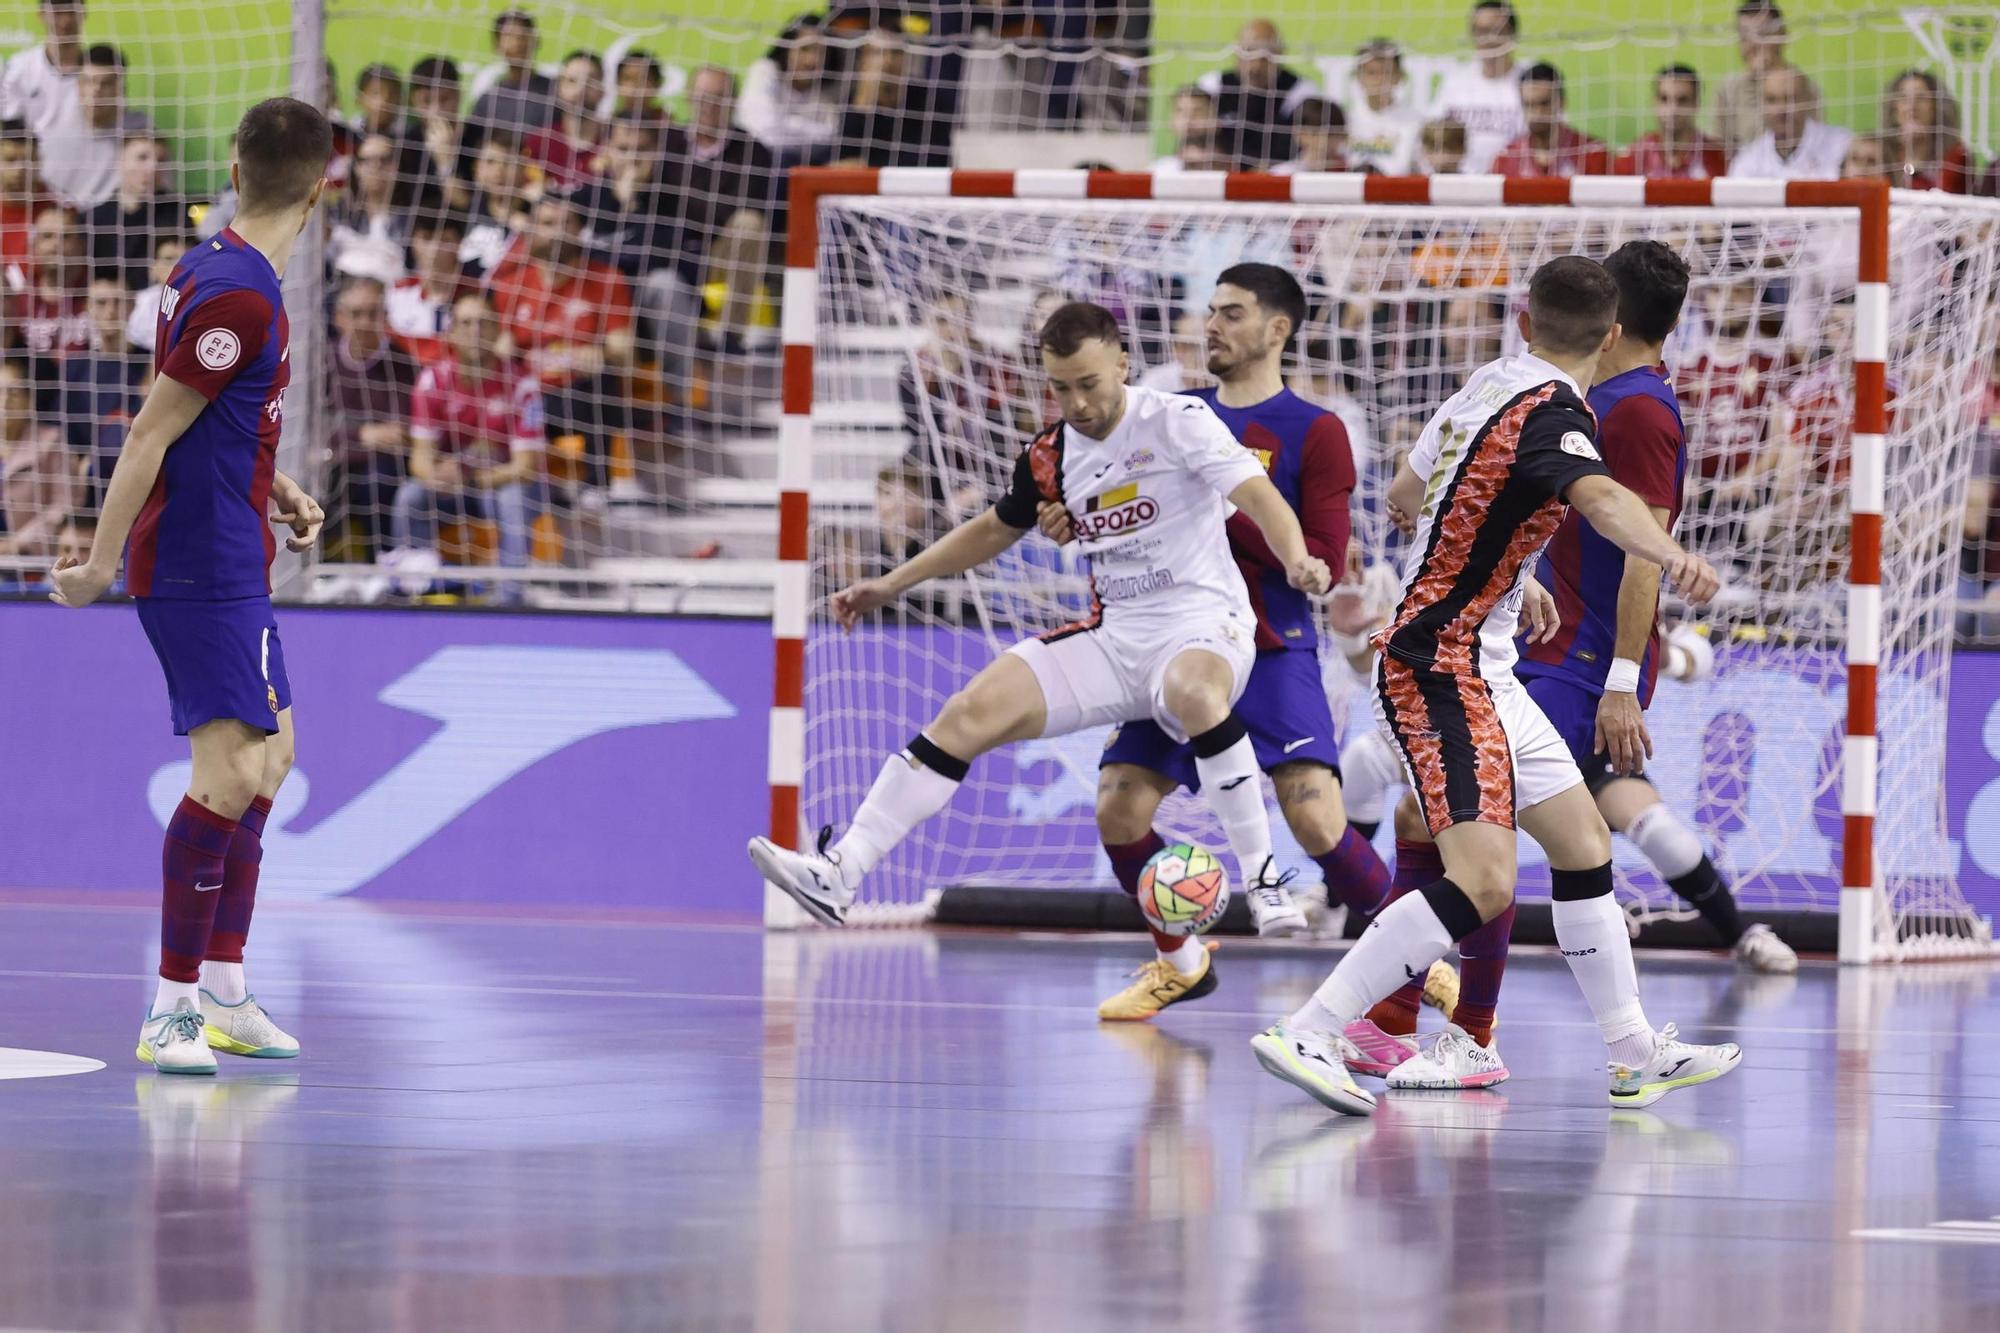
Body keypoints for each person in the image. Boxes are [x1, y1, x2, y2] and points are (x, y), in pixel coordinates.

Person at [1249, 256, 1741, 1117]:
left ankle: (1631, 1052)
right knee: (1484, 879)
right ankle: (1316, 1028)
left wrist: (1510, 569)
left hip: (1489, 658)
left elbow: (1408, 492)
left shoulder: (1491, 381)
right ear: (1615, 333)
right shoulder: (1557, 414)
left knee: (1586, 844)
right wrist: (1669, 553)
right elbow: (1603, 500)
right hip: (1440, 665)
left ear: (1524, 319)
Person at [1355, 242, 1797, 1094]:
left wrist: (1624, 677)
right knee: (1551, 825)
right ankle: (1438, 1025)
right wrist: (1524, 579)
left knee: (1481, 836)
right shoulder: (1572, 395)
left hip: (1571, 662)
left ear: (1610, 327)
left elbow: (1629, 546)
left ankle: (1435, 1028)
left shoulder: (1622, 410)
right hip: (1527, 646)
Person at [747, 300, 1334, 926]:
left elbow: (1257, 494)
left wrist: (1296, 557)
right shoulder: (1051, 456)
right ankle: (843, 871)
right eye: (1061, 388)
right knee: (968, 713)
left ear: (1122, 364)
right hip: (1115, 636)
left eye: (1089, 384)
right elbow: (992, 531)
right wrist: (890, 584)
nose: (1077, 404)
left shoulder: (1178, 420)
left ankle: (1265, 880)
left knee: (1193, 691)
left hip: (1204, 624)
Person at [1038, 268, 1452, 1015]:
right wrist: (1076, 515)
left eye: (1232, 313)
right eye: (1209, 312)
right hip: (1169, 641)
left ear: (1277, 330)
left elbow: (1321, 552)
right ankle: (1181, 960)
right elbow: (1100, 494)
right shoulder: (1169, 413)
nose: (1213, 327)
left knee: (1317, 816)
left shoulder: (1316, 429)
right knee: (1118, 809)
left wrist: (1209, 504)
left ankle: (1423, 966)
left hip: (1269, 639)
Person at [47, 95, 333, 1076]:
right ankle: (168, 1004)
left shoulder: (215, 266)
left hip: (235, 549)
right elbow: (150, 430)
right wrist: (95, 564)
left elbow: (215, 414)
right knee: (227, 775)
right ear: (321, 188)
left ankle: (223, 989)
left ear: (235, 166)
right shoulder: (240, 295)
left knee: (276, 759)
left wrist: (279, 483)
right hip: (197, 564)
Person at [389, 290, 544, 591]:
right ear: (451, 332)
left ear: (498, 330)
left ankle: (509, 598)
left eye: (483, 323)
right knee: (410, 497)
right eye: (466, 323)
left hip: (501, 485)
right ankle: (416, 588)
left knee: (512, 498)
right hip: (455, 487)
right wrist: (438, 475)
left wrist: (470, 475)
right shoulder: (432, 381)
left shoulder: (522, 384)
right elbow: (419, 460)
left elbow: (525, 468)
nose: (475, 332)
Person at [1198, 19, 1319, 171]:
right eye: (1248, 52)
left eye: (1265, 55)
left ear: (1281, 54)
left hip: (1277, 177)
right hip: (1220, 174)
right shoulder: (1211, 85)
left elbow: (1311, 148)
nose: (1255, 65)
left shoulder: (1302, 91)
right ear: (1235, 52)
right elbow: (1188, 137)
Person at [87, 133, 193, 290]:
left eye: (161, 160)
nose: (153, 167)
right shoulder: (95, 219)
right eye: (142, 158)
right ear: (120, 162)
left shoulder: (176, 211)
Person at [737, 14, 846, 166]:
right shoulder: (764, 71)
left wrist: (784, 122)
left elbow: (830, 137)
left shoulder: (825, 94)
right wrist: (805, 128)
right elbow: (765, 132)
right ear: (786, 49)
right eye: (805, 49)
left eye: (821, 52)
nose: (812, 60)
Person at [1435, 0, 1526, 174]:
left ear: (1513, 34)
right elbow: (1432, 139)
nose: (1489, 39)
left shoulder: (1530, 83)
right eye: (1482, 31)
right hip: (1460, 187)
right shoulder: (1454, 82)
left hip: (1513, 186)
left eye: (1497, 31)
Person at [1729, 66, 1850, 180]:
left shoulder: (1841, 145)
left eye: (1790, 99)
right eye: (1772, 100)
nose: (1781, 109)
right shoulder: (1748, 160)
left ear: (1808, 100)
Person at [1492, 62, 1609, 178]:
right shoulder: (1508, 157)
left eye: (1544, 103)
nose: (1536, 113)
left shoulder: (1592, 152)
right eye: (1528, 105)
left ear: (1562, 103)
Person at [1615, 65, 1727, 180]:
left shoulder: (1715, 155)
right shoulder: (1637, 152)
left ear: (1696, 104)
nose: (1673, 109)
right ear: (1655, 103)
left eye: (1682, 100)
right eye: (1664, 99)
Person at [1711, 1, 1792, 157]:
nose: (1754, 44)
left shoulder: (1802, 88)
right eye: (1745, 37)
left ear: (1782, 35)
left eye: (1763, 34)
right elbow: (1719, 150)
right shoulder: (1728, 89)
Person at [521, 50, 605, 190]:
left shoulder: (616, 143)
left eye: (590, 81)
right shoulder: (539, 143)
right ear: (558, 88)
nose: (581, 89)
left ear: (603, 90)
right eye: (572, 81)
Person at [469, 8, 556, 138]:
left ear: (536, 40)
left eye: (523, 35)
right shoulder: (489, 100)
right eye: (509, 36)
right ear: (496, 46)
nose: (517, 42)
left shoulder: (556, 91)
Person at [1344, 38, 1424, 176]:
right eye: (1371, 72)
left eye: (1386, 72)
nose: (1379, 79)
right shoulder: (1345, 120)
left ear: (1399, 77)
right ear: (1358, 76)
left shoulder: (1416, 122)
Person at [1882, 69, 1969, 193]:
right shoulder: (1882, 152)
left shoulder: (1957, 155)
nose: (1912, 105)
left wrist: (1916, 157)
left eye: (1921, 98)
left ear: (1936, 107)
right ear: (1894, 109)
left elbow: (1938, 202)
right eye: (1903, 98)